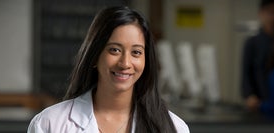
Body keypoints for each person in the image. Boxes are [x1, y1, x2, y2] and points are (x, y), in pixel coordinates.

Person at [28, 6, 189, 133]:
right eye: (114, 50)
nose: (125, 63)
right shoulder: (49, 123)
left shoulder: (174, 128)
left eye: (136, 52)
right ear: (95, 55)